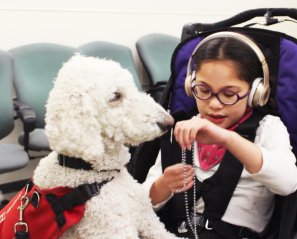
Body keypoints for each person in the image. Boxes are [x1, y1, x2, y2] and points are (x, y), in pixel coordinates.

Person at [142, 33, 297, 239]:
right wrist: (163, 184)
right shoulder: (182, 130)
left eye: (229, 94)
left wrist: (228, 139)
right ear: (190, 86)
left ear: (255, 93)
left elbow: (288, 183)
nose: (214, 104)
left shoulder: (268, 128)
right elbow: (141, 205)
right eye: (203, 90)